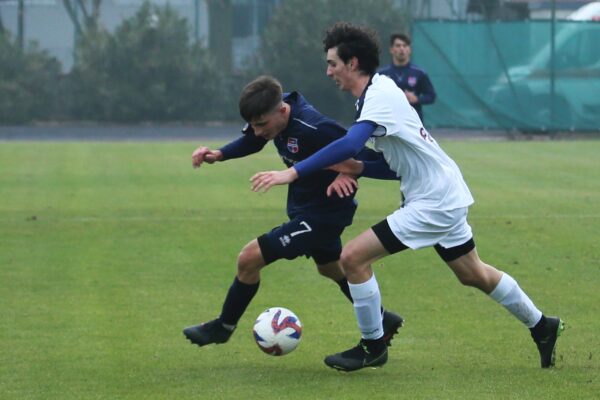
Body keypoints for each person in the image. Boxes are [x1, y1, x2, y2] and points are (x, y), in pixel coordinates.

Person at [250, 23, 563, 372]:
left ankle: (373, 345)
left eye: (333, 63)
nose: (328, 71)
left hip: (434, 201)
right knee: (473, 273)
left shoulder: (379, 96)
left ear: (352, 63)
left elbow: (352, 145)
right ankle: (542, 325)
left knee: (352, 258)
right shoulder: (377, 91)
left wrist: (293, 172)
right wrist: (355, 168)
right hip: (442, 193)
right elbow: (390, 164)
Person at [183, 75, 404, 350]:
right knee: (329, 268)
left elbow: (364, 156)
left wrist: (348, 174)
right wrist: (220, 154)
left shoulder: (316, 128)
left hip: (324, 214)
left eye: (262, 124)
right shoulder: (272, 115)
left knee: (249, 258)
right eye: (254, 124)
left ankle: (223, 326)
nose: (258, 130)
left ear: (283, 110)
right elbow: (253, 139)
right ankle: (383, 319)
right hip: (306, 207)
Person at [378, 33, 436, 123]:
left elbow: (431, 96)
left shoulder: (419, 73)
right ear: (391, 50)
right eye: (398, 45)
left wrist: (417, 99)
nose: (402, 49)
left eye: (405, 45)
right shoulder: (381, 74)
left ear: (409, 49)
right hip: (389, 122)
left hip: (413, 122)